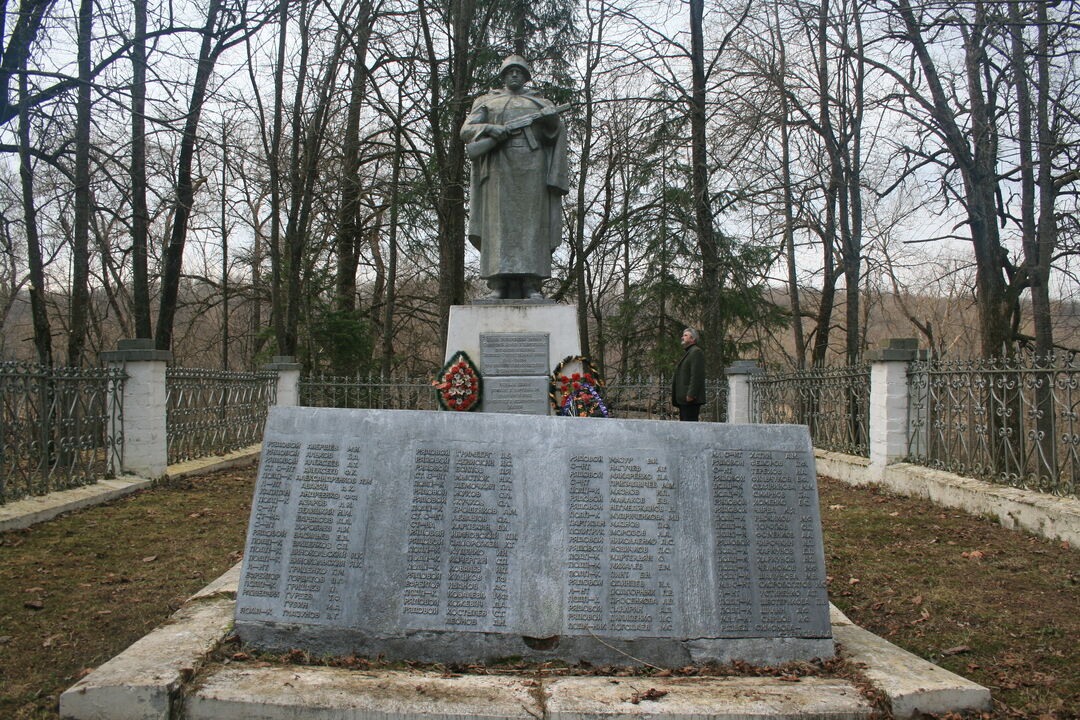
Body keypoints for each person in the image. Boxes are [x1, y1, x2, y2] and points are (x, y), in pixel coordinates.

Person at [461, 55, 569, 299]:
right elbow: (466, 131)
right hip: (499, 169)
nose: (514, 75)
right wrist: (490, 128)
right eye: (509, 71)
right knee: (498, 227)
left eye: (519, 71)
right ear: (503, 75)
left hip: (533, 169)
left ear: (526, 76)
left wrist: (552, 119)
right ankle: (498, 284)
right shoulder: (488, 101)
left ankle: (532, 284)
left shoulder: (539, 102)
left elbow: (552, 135)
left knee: (532, 226)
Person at [672, 327, 705, 421]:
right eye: (683, 335)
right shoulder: (689, 352)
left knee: (690, 427)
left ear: (693, 339)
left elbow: (696, 375)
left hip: (690, 400)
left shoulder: (696, 352)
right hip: (684, 399)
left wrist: (691, 394)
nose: (682, 337)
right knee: (685, 427)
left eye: (686, 335)